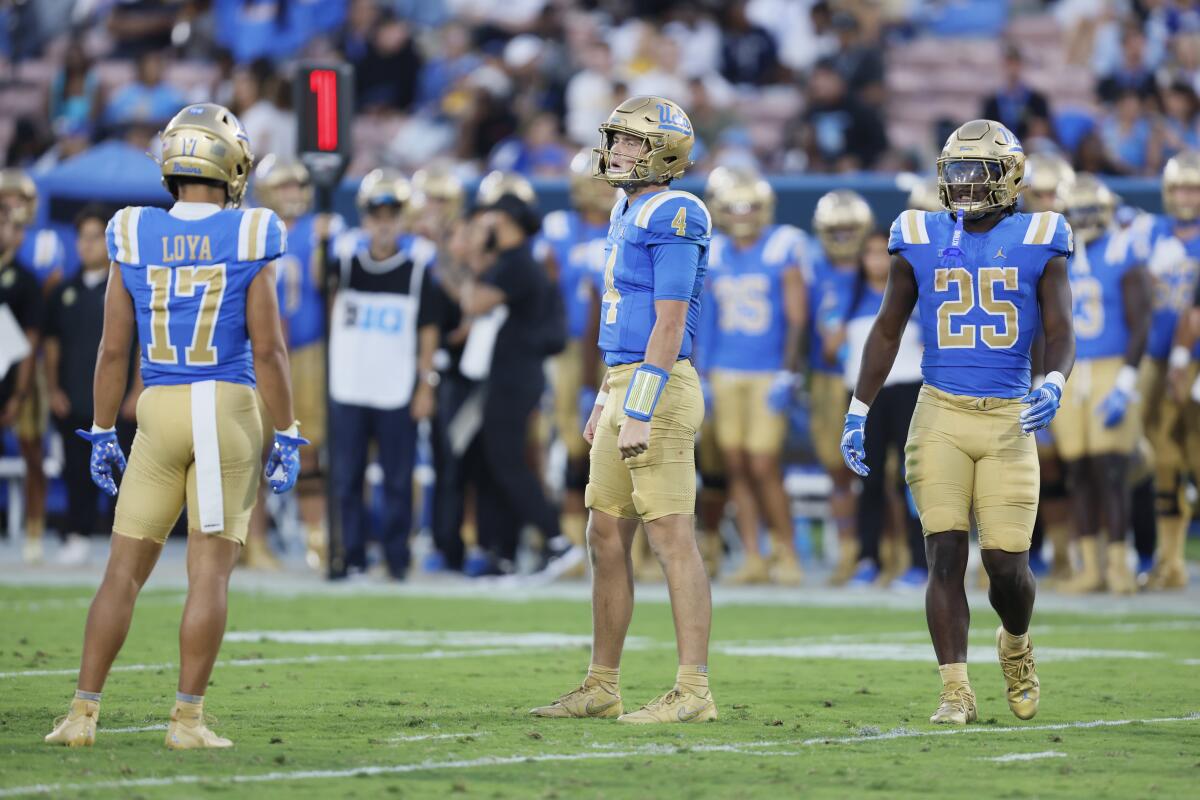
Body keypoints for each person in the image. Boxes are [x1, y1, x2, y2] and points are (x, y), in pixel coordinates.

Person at [44, 103, 305, 749]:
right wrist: (290, 427)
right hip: (224, 405)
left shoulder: (134, 231)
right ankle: (186, 721)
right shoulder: (249, 233)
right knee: (208, 574)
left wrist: (104, 428)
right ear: (233, 163)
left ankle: (81, 714)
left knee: (122, 571)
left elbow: (112, 349)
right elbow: (270, 350)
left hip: (156, 406)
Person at [842, 119, 1074, 725]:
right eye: (957, 171)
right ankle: (955, 691)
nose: (967, 184)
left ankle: (1017, 644)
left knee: (1005, 564)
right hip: (938, 410)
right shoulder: (915, 232)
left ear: (1011, 177)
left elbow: (1059, 329)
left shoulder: (1041, 235)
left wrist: (1053, 380)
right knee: (944, 554)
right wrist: (858, 409)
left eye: (980, 171)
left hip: (1007, 417)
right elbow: (888, 327)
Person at [531, 95, 716, 724]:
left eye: (633, 142)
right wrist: (608, 395)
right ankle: (602, 683)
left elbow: (667, 324)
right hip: (624, 381)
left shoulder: (677, 211)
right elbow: (625, 322)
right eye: (616, 139)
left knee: (670, 537)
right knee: (604, 533)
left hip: (658, 388)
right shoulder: (626, 205)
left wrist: (636, 405)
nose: (618, 151)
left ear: (664, 151)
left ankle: (693, 690)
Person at [328, 169, 438, 580]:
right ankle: (350, 555)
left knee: (396, 478)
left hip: (395, 388)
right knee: (346, 477)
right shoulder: (342, 262)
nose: (384, 222)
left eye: (392, 213)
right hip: (348, 385)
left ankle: (396, 557)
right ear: (365, 217)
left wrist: (424, 384)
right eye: (377, 213)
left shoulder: (416, 268)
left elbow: (428, 329)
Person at [457, 181, 571, 576]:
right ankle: (501, 551)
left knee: (507, 462)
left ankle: (556, 539)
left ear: (503, 220)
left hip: (516, 376)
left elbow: (473, 303)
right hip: (511, 374)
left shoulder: (518, 262)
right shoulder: (516, 260)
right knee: (496, 463)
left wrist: (471, 256)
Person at [702, 165, 806, 586]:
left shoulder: (784, 245)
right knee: (736, 465)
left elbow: (797, 319)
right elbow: (705, 319)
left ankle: (787, 551)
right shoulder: (713, 250)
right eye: (734, 207)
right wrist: (702, 373)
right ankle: (752, 555)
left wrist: (788, 372)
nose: (742, 214)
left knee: (763, 464)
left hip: (767, 373)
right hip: (725, 371)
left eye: (750, 206)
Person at [1054, 175, 1150, 594]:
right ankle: (1090, 566)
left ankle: (1118, 564)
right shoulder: (1058, 255)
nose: (1086, 219)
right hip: (1073, 371)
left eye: (1092, 211)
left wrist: (1128, 379)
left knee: (1111, 470)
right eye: (1079, 212)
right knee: (1078, 471)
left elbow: (1142, 319)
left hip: (1112, 366)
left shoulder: (1124, 250)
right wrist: (1044, 378)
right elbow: (1048, 323)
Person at [255, 157, 342, 570]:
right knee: (251, 449)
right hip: (259, 351)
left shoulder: (322, 230)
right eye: (284, 186)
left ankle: (316, 539)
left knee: (309, 448)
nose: (292, 195)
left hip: (307, 352)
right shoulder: (253, 231)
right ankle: (251, 542)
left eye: (296, 186)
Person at [43, 206, 140, 566]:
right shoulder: (63, 290)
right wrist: (53, 388)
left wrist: (137, 390)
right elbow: (51, 346)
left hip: (119, 402)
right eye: (81, 237)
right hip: (75, 397)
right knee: (75, 470)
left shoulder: (127, 286)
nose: (86, 245)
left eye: (94, 237)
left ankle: (124, 541)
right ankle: (78, 534)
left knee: (125, 473)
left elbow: (140, 343)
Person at [537, 150, 612, 578]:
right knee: (571, 444)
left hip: (618, 352)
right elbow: (546, 291)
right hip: (567, 348)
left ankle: (627, 548)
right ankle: (570, 541)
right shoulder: (559, 229)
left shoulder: (628, 224)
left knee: (619, 447)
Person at [841, 231, 927, 589]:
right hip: (863, 395)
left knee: (911, 478)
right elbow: (829, 347)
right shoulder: (850, 294)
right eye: (870, 253)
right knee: (868, 478)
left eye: (882, 253)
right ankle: (868, 558)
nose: (876, 261)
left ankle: (918, 562)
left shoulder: (913, 290)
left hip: (907, 388)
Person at [1139, 151, 1200, 591]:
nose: (1185, 196)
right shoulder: (1150, 233)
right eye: (1179, 186)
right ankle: (1171, 559)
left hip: (1193, 358)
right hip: (1158, 357)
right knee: (1161, 455)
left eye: (1193, 188)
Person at [0, 168, 67, 564]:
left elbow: (44, 299)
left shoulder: (43, 244)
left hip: (29, 357)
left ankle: (35, 528)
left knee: (31, 443)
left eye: (17, 201)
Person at [806, 189, 873, 585]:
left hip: (871, 380)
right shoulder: (812, 267)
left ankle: (887, 551)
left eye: (851, 230)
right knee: (838, 471)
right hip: (828, 379)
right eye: (836, 230)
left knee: (883, 472)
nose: (844, 237)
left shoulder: (882, 265)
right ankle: (849, 550)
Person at [1021, 153, 1077, 583]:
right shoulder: (1015, 236)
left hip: (1080, 366)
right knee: (1038, 464)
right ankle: (1046, 552)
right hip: (1024, 366)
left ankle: (1083, 554)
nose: (1046, 202)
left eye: (1053, 193)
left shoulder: (1090, 239)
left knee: (1086, 464)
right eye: (1038, 193)